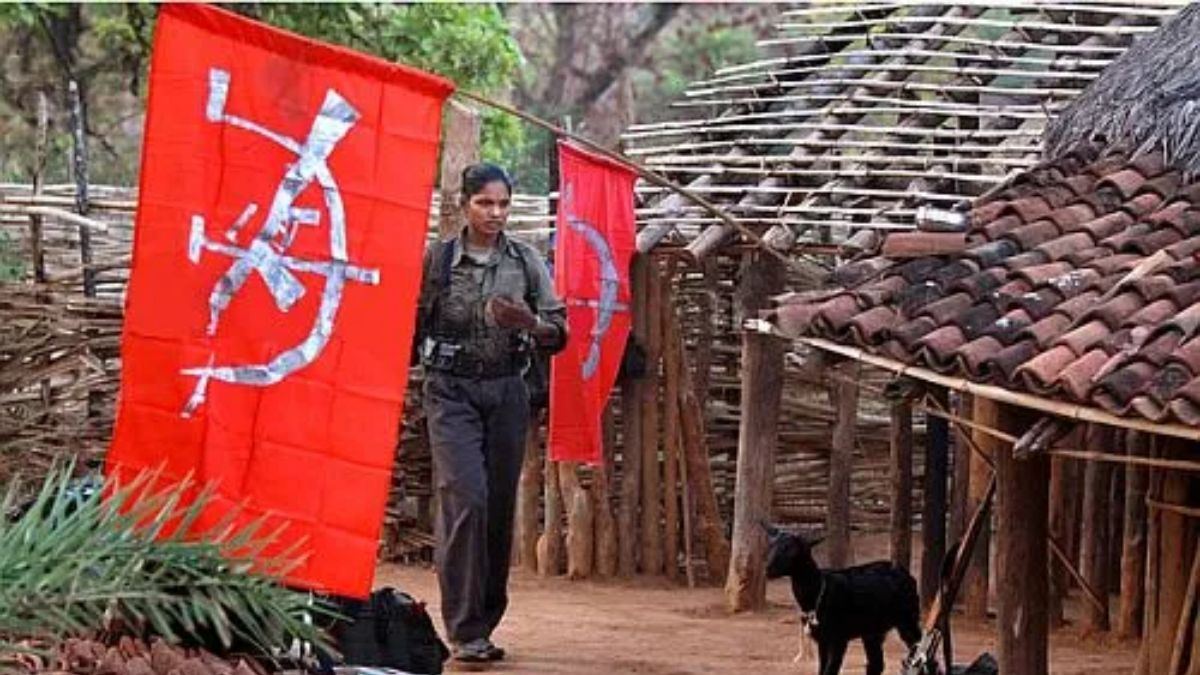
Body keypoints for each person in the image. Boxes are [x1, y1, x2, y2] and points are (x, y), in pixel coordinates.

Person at [413, 163, 567, 665]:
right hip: (449, 392)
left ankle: (486, 618)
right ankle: (463, 629)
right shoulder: (436, 263)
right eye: (485, 203)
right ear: (465, 204)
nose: (495, 213)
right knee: (467, 499)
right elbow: (405, 326)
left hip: (506, 391)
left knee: (498, 508)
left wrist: (528, 322)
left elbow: (560, 333)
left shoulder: (525, 262)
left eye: (503, 204)